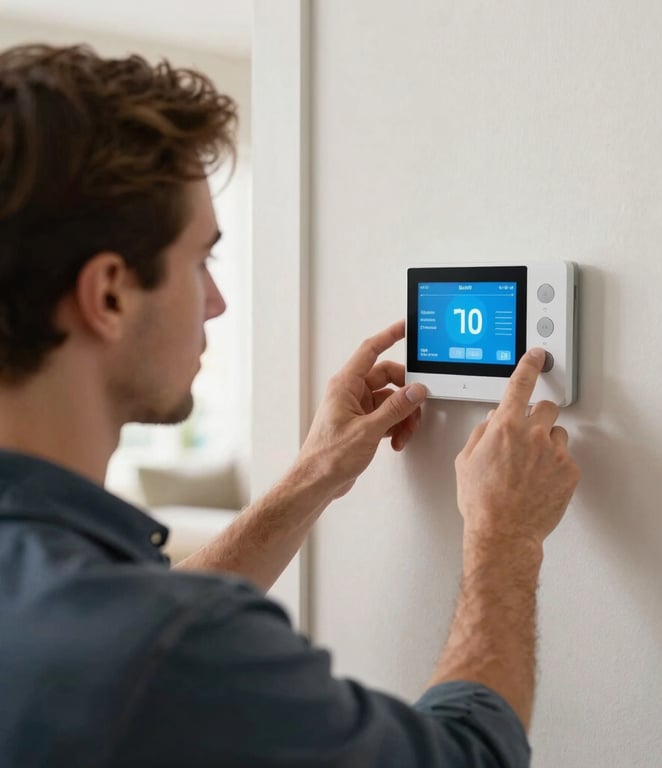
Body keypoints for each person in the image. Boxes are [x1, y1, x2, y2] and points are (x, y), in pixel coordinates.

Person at [0, 44, 580, 768]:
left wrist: (316, 474)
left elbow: (111, 646)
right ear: (110, 293)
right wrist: (505, 539)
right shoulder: (171, 648)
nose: (218, 301)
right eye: (200, 260)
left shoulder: (74, 612)